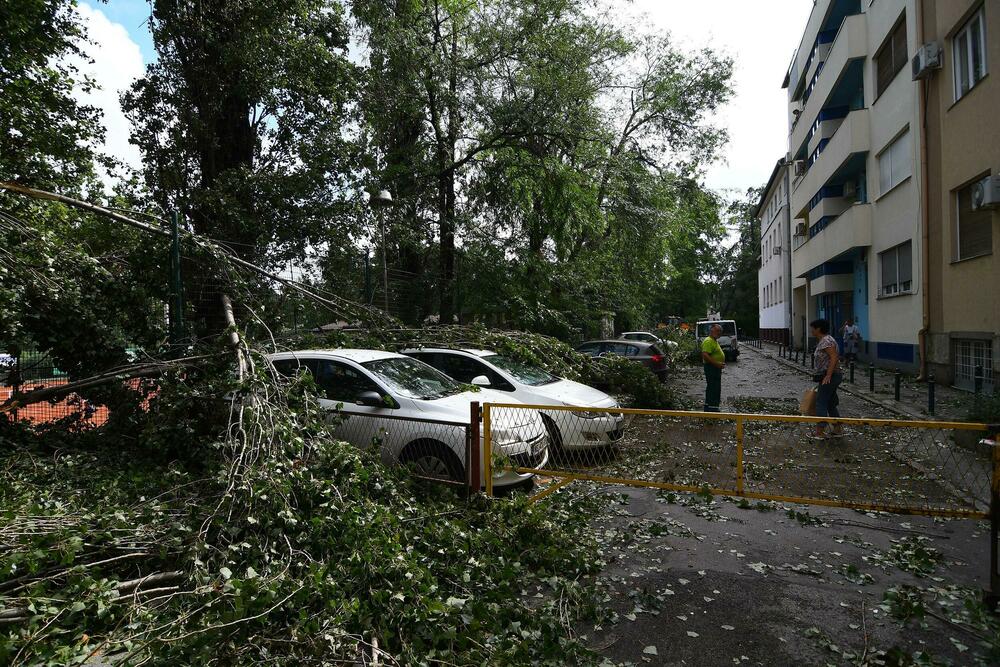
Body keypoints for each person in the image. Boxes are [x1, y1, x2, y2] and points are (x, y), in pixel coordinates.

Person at [810, 318, 843, 440]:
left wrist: (828, 375)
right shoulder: (826, 340)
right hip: (831, 375)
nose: (811, 330)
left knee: (821, 401)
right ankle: (837, 428)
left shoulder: (826, 341)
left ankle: (820, 431)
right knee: (830, 402)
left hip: (830, 376)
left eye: (812, 328)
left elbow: (834, 357)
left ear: (818, 328)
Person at [701, 324, 725, 412]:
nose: (719, 333)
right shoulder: (708, 341)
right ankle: (712, 409)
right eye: (717, 330)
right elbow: (705, 355)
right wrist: (717, 364)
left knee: (713, 387)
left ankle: (709, 406)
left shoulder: (713, 340)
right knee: (714, 387)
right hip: (711, 368)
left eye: (720, 331)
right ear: (711, 331)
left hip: (714, 368)